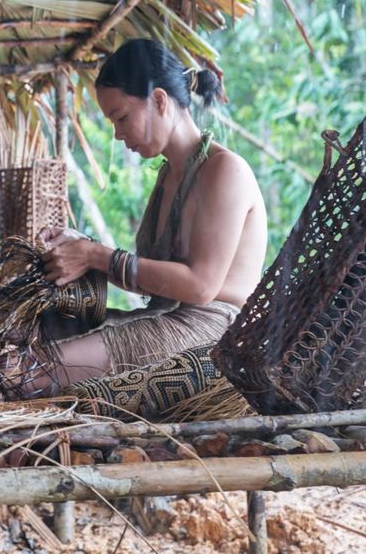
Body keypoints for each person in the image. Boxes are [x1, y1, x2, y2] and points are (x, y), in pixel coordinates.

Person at [30, 38, 267, 394]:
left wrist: (98, 255)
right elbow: (157, 280)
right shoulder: (167, 174)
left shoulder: (225, 170)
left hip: (214, 334)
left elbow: (199, 287)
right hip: (166, 317)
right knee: (31, 333)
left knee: (32, 374)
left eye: (121, 117)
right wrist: (84, 252)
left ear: (159, 100)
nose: (117, 133)